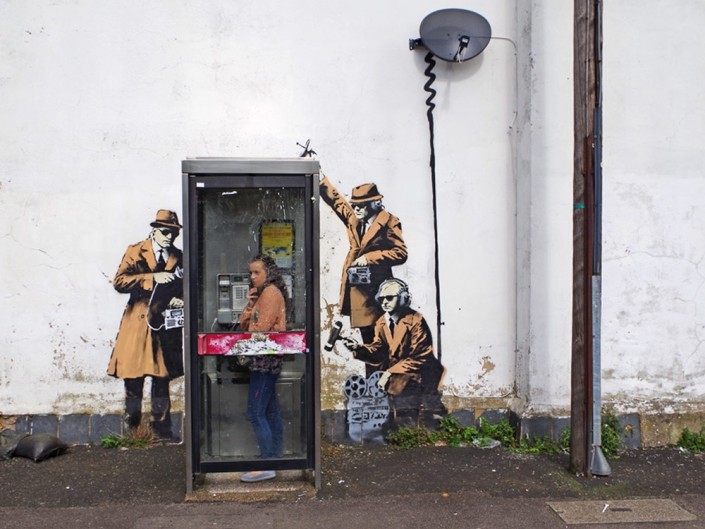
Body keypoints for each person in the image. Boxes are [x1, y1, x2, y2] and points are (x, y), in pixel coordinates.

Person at [108, 209, 184, 441]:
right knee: (133, 379)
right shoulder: (136, 251)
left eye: (173, 233)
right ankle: (134, 431)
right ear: (154, 231)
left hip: (163, 326)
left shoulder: (178, 256)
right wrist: (151, 278)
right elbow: (119, 282)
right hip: (138, 325)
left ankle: (162, 432)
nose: (169, 237)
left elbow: (184, 284)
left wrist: (178, 298)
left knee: (162, 379)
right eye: (165, 232)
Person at [320, 177, 408, 362]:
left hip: (378, 295)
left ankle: (382, 378)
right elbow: (338, 203)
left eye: (361, 205)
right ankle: (373, 378)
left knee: (380, 345)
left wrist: (369, 258)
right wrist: (321, 181)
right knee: (368, 345)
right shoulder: (355, 219)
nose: (357, 209)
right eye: (355, 205)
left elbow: (400, 253)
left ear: (375, 204)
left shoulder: (390, 222)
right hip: (358, 295)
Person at [341, 278, 446, 428]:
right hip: (399, 378)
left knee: (422, 416)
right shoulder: (382, 321)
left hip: (422, 377)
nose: (384, 302)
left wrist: (389, 373)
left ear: (403, 298)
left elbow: (419, 357)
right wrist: (357, 348)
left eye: (390, 297)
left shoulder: (415, 320)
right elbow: (379, 351)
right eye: (381, 298)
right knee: (399, 417)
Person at [238, 254, 288, 483]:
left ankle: (267, 464)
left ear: (269, 273)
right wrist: (250, 304)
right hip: (262, 359)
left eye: (256, 272)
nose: (252, 277)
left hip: (264, 360)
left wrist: (251, 322)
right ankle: (274, 458)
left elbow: (260, 329)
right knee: (269, 411)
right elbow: (243, 323)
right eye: (250, 273)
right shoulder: (262, 294)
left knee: (255, 413)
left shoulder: (270, 293)